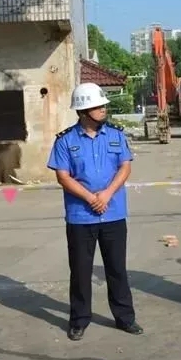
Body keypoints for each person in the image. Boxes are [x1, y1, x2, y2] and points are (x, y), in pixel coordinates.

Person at [47, 82, 142, 341]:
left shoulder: (116, 135)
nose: (103, 109)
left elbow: (125, 167)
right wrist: (91, 198)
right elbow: (63, 177)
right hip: (81, 216)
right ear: (83, 111)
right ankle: (79, 320)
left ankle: (125, 318)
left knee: (117, 269)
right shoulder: (65, 141)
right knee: (80, 271)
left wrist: (107, 194)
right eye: (97, 106)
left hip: (113, 213)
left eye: (103, 105)